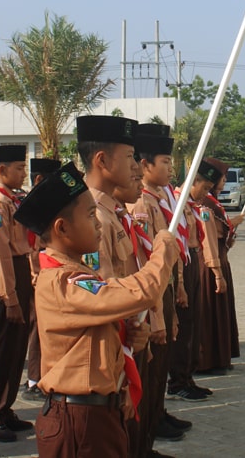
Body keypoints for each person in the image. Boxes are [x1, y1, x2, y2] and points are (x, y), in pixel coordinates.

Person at [16, 162, 178, 458]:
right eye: (91, 216)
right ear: (62, 228)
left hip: (97, 412)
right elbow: (140, 291)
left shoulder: (77, 273)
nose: (100, 224)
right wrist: (164, 250)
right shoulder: (64, 281)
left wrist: (127, 337)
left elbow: (90, 342)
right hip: (80, 421)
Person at [76, 114, 154, 456]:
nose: (136, 165)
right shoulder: (89, 216)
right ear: (102, 161)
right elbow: (101, 294)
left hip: (124, 336)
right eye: (128, 156)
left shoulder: (113, 213)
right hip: (107, 349)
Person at [128, 124, 194, 451]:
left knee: (161, 363)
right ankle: (147, 430)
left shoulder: (160, 199)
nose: (170, 168)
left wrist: (177, 285)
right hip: (152, 293)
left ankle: (156, 419)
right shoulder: (142, 204)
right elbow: (145, 260)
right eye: (165, 161)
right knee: (151, 368)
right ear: (145, 165)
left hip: (164, 288)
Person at [0, 144, 34, 442]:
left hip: (20, 270)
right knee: (2, 350)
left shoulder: (12, 200)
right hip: (8, 278)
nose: (23, 172)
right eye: (19, 167)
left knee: (15, 349)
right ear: (2, 170)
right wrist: (9, 297)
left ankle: (6, 406)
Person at [167, 160, 221, 403]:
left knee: (193, 325)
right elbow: (176, 245)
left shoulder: (190, 205)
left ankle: (188, 377)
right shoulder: (175, 204)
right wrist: (179, 282)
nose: (206, 193)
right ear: (194, 182)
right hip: (182, 265)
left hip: (192, 261)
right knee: (184, 325)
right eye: (205, 187)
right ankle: (177, 381)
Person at [22, 156, 62, 402]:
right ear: (39, 180)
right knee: (38, 329)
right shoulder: (32, 207)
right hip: (38, 275)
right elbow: (31, 247)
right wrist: (35, 273)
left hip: (47, 273)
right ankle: (34, 379)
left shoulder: (45, 204)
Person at [199, 157, 242, 374]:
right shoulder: (205, 204)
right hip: (209, 262)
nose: (224, 182)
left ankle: (221, 356)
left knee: (219, 311)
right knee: (209, 313)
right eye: (221, 178)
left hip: (220, 256)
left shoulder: (213, 202)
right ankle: (208, 360)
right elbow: (207, 237)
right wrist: (216, 270)